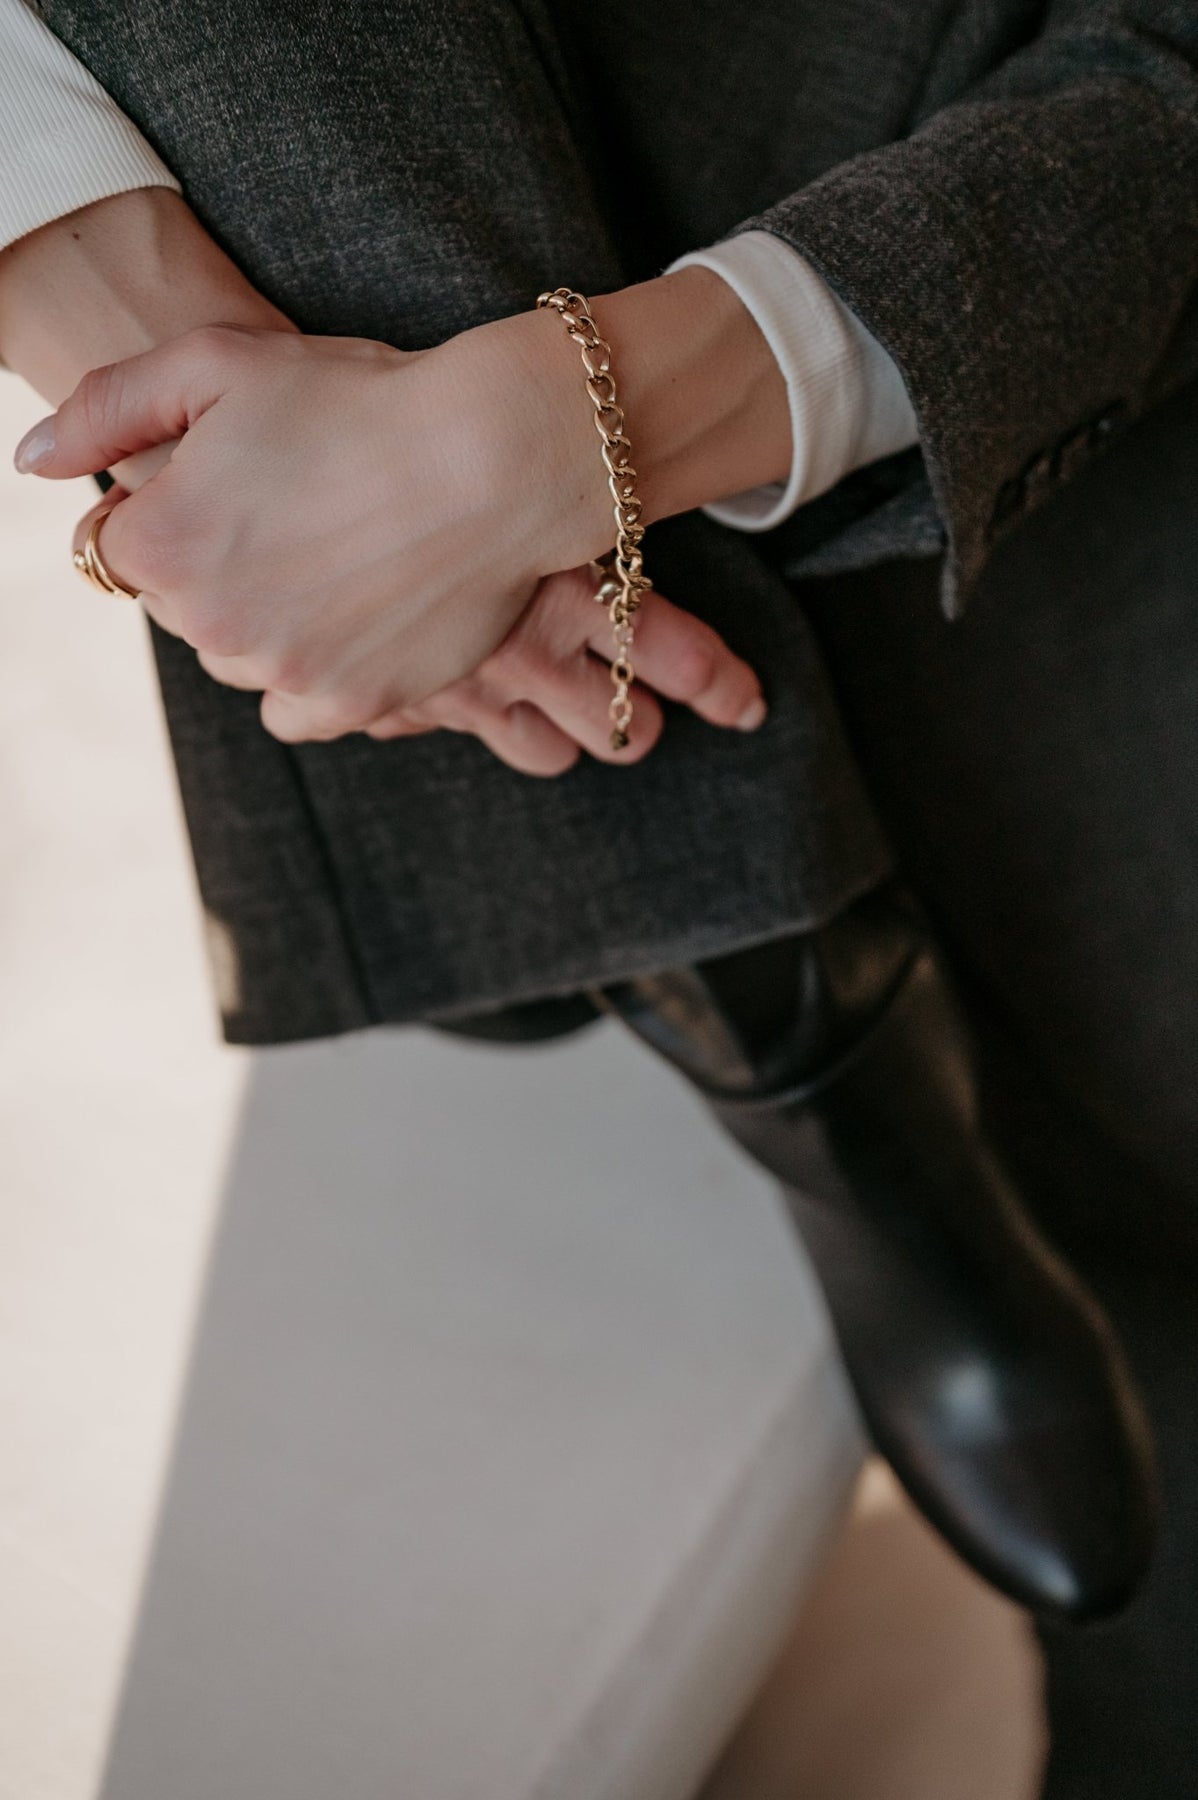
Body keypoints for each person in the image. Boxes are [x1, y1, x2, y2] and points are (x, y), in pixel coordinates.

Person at [2, 1, 1196, 1789]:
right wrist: (118, 299)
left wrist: (548, 438)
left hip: (1012, 233)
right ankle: (763, 965)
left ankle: (697, 932)